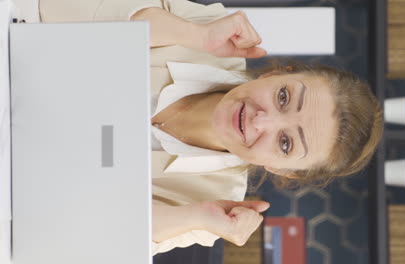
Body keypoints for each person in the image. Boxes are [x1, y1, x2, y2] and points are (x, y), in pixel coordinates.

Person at [39, 0, 383, 256]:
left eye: (285, 144)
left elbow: (100, 238)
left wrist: (196, 216)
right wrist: (196, 36)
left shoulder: (215, 204)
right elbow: (58, 10)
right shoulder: (209, 32)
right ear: (275, 74)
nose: (261, 120)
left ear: (281, 169)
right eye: (282, 96)